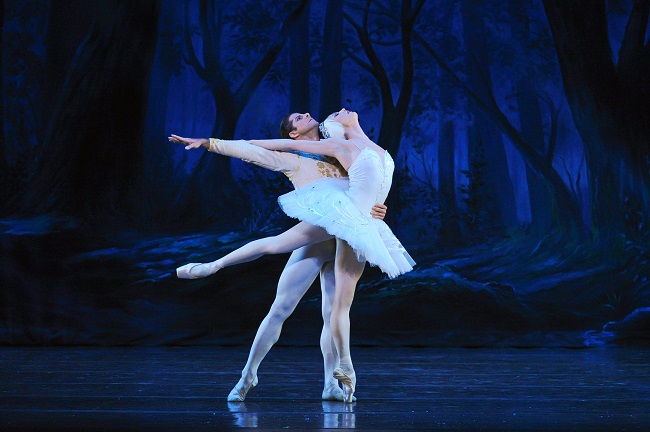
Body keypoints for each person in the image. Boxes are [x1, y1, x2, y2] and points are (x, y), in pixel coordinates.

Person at [175, 109, 414, 402]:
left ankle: (330, 385)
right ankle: (248, 375)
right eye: (299, 118)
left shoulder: (340, 150)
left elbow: (368, 185)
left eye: (306, 114)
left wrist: (378, 208)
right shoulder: (294, 159)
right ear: (293, 134)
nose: (307, 114)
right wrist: (210, 143)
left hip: (347, 239)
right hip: (316, 240)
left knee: (332, 313)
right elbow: (253, 149)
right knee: (281, 306)